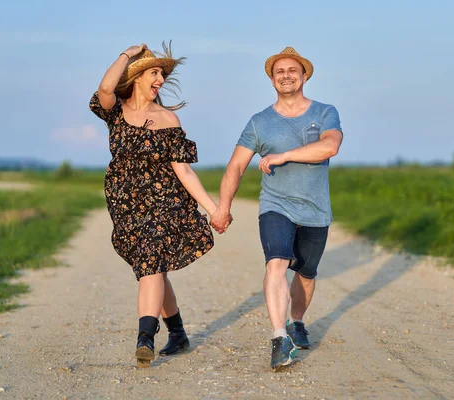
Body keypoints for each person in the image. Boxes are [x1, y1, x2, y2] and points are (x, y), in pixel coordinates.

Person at [89, 42, 228, 368]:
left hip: (167, 205)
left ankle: (145, 339)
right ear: (136, 76)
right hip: (127, 210)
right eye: (154, 73)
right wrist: (126, 55)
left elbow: (184, 170)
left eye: (163, 75)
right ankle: (178, 333)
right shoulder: (116, 111)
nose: (160, 80)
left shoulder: (168, 120)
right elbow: (105, 87)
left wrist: (214, 209)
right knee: (153, 268)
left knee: (151, 261)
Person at [211, 47, 343, 371]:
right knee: (276, 263)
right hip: (276, 206)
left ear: (304, 75)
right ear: (272, 79)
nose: (286, 75)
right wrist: (223, 207)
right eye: (279, 71)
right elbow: (236, 166)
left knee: (306, 275)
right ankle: (279, 337)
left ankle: (296, 321)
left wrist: (283, 156)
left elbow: (331, 146)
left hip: (315, 210)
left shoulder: (325, 112)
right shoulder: (259, 122)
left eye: (292, 70)